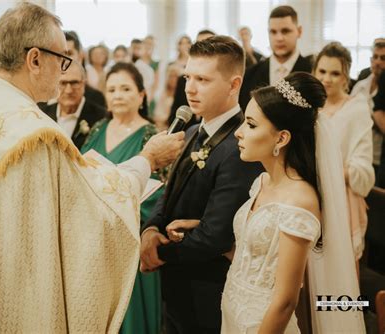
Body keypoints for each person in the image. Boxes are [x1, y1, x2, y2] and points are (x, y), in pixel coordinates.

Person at [0, 3, 184, 333]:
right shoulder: (33, 133)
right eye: (61, 59)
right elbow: (90, 210)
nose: (64, 71)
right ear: (35, 59)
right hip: (18, 294)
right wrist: (147, 159)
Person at [169, 72, 366, 333]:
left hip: (264, 323)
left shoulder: (300, 201)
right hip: (233, 314)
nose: (238, 133)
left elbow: (285, 301)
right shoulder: (262, 182)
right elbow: (253, 257)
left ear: (281, 138)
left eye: (250, 125)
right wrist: (199, 227)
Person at [140, 36, 262, 333]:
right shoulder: (193, 130)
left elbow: (217, 234)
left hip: (209, 290)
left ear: (234, 85)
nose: (189, 88)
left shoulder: (241, 144)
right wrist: (152, 229)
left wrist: (159, 252)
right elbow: (168, 189)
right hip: (178, 286)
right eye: (188, 77)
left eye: (203, 80)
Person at [81, 62, 163, 334]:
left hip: (131, 237)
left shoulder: (152, 136)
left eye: (126, 88)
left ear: (141, 95)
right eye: (112, 89)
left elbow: (162, 189)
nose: (117, 95)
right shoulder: (98, 129)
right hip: (95, 237)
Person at [313, 42, 375, 261]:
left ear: (345, 76)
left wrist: (327, 172)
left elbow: (364, 170)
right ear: (314, 71)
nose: (326, 79)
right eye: (322, 71)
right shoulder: (308, 107)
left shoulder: (356, 110)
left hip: (341, 200)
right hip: (308, 198)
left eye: (335, 73)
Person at [239, 5, 312, 110]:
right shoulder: (250, 75)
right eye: (273, 32)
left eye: (285, 31)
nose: (279, 38)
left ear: (299, 31)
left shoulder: (312, 72)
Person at [39, 61, 106, 149]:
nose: (68, 90)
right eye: (63, 83)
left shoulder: (101, 118)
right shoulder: (41, 115)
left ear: (84, 84)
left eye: (74, 83)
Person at [351, 39, 385, 181]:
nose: (377, 62)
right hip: (358, 152)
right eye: (375, 57)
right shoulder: (362, 83)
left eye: (383, 58)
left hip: (379, 155)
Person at [169, 29, 216, 129]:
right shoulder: (183, 80)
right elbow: (175, 112)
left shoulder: (223, 81)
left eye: (209, 45)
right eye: (199, 45)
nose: (203, 50)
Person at [63, 30, 106, 108]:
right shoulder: (43, 96)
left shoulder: (96, 98)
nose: (64, 60)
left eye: (69, 54)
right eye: (58, 54)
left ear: (80, 56)